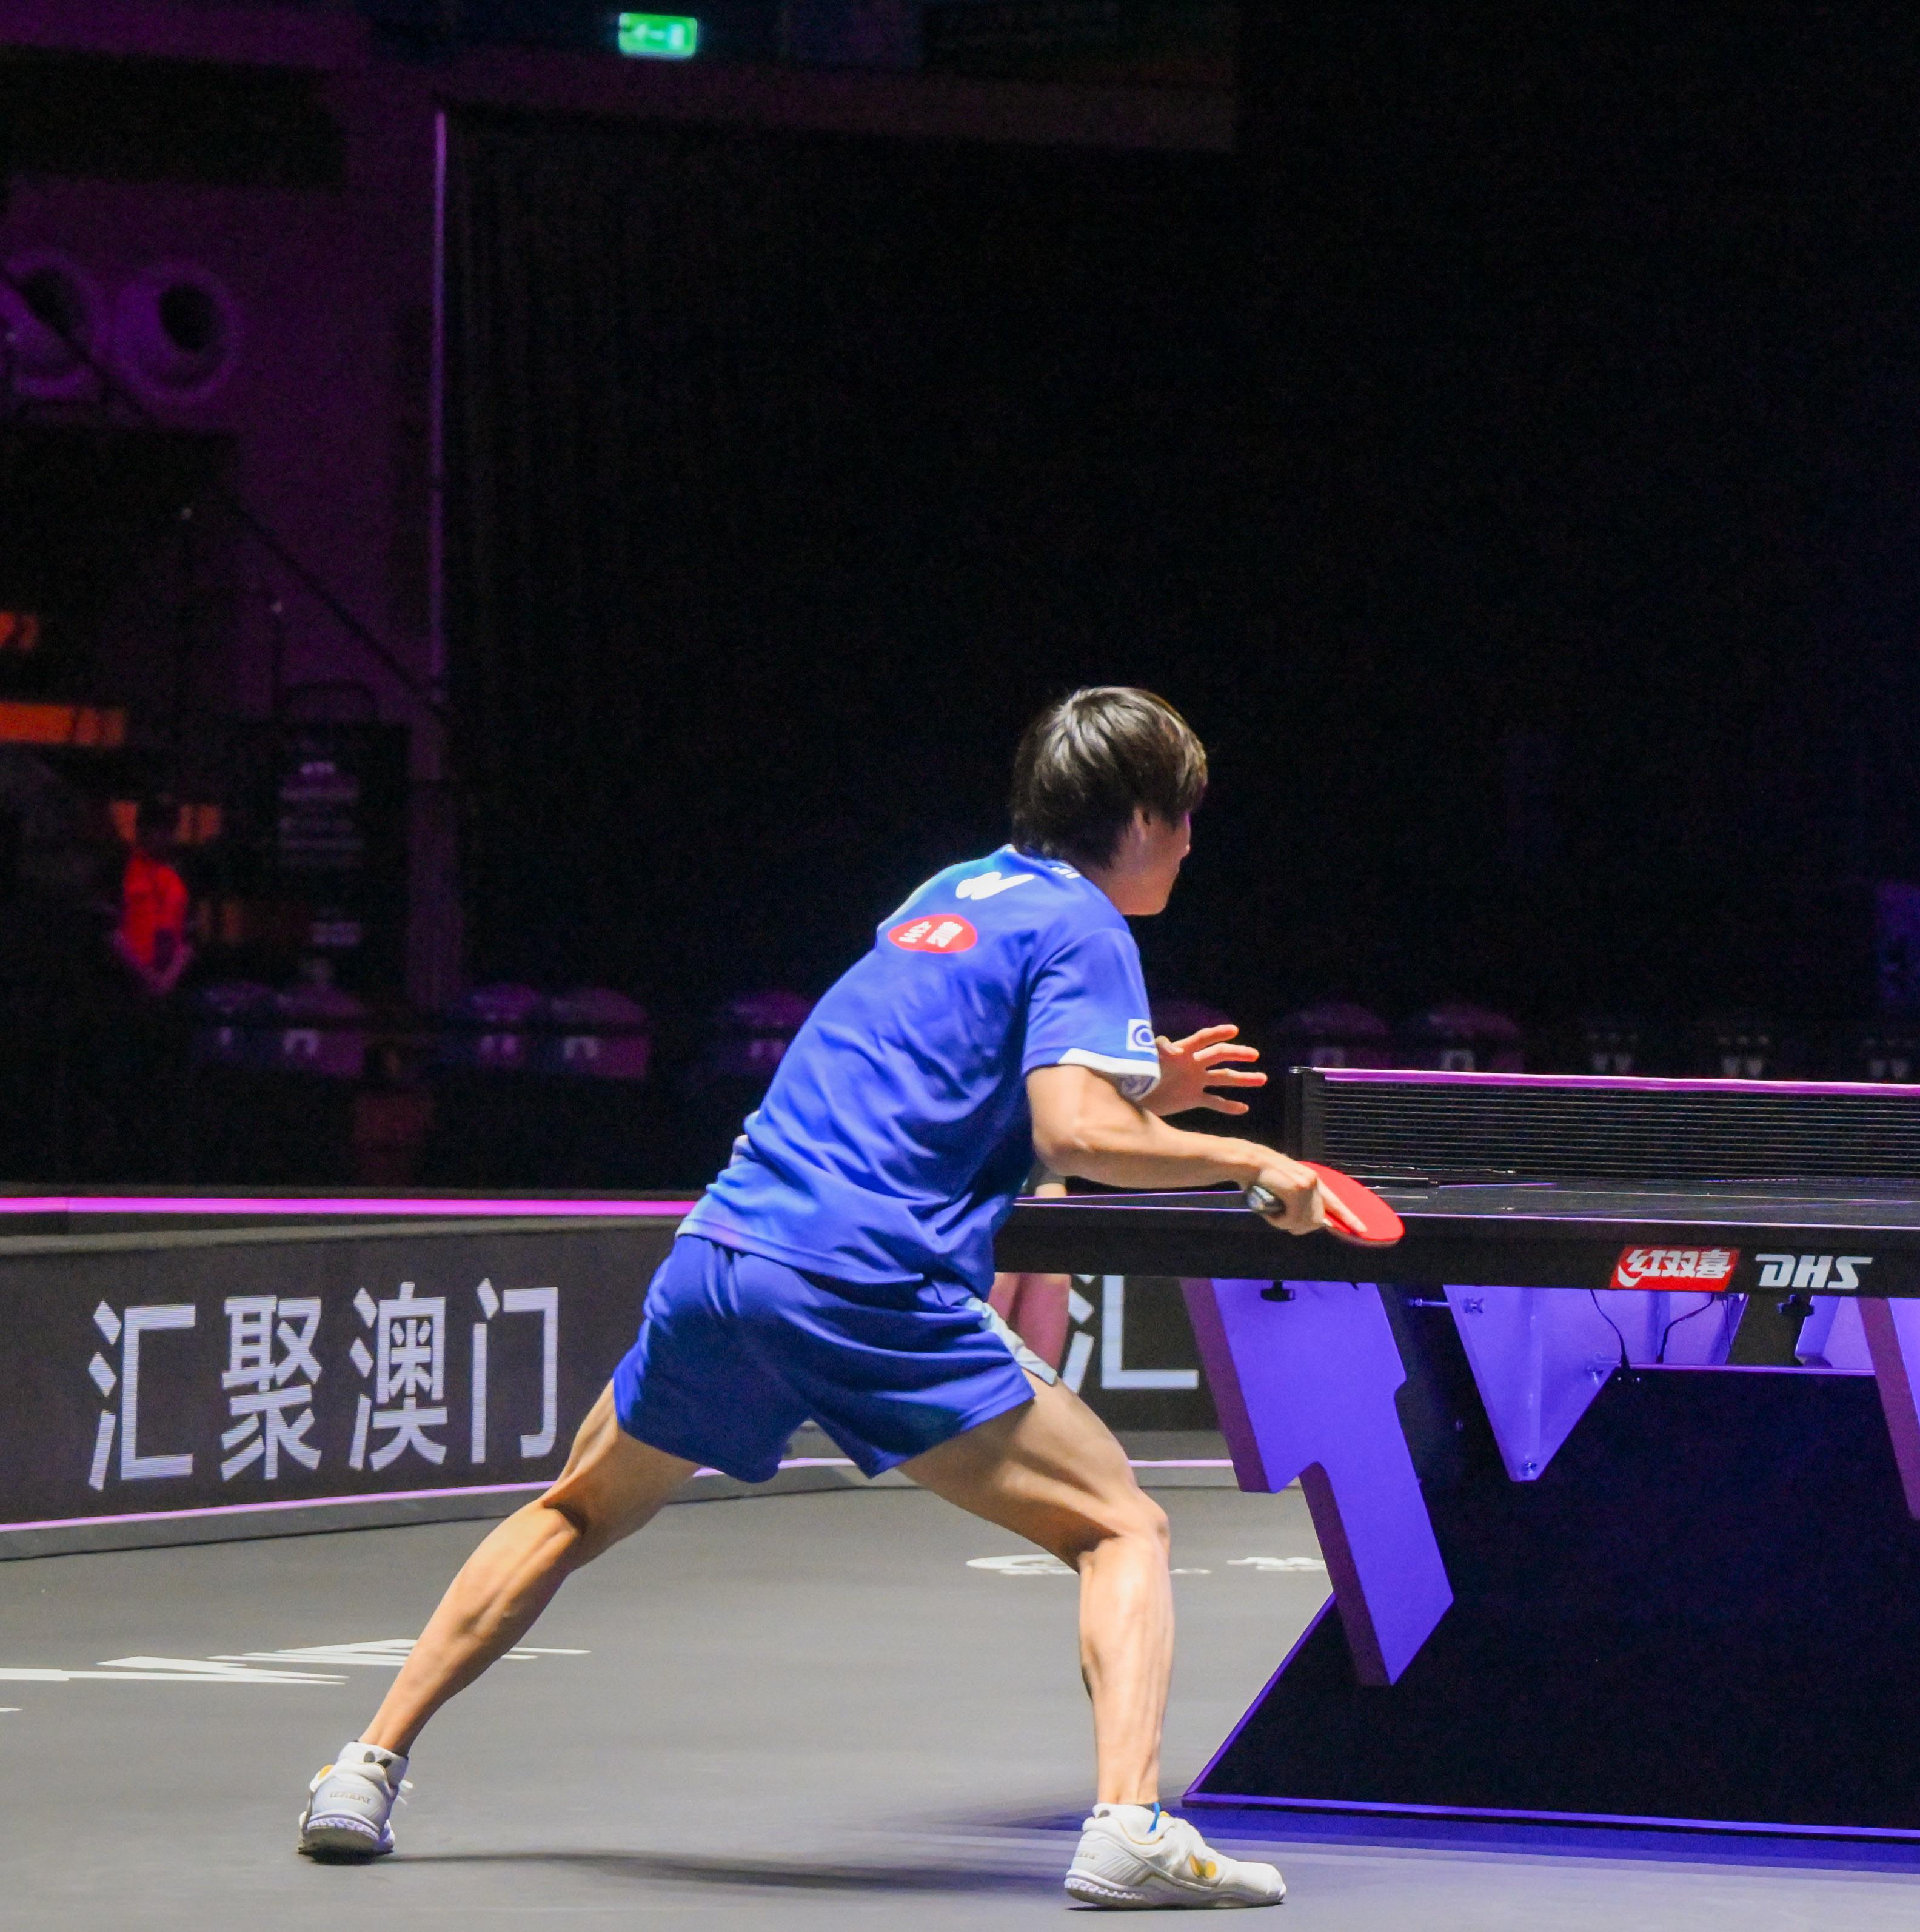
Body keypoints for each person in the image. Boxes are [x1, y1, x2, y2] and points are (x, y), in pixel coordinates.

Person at [295, 688, 1333, 1910]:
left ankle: (361, 1770)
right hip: (862, 1281)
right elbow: (1072, 1133)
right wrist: (1251, 1162)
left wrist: (1140, 1086)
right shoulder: (1089, 927)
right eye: (1187, 816)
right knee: (1123, 1527)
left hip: (727, 1250)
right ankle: (1130, 1828)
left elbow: (954, 1070)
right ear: (1143, 818)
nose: (1194, 843)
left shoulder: (951, 894)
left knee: (575, 1508)